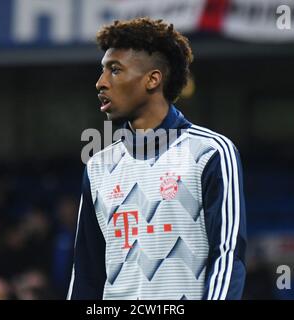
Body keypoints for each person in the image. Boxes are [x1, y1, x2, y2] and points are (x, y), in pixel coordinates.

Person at [68, 17, 247, 300]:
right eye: (102, 71)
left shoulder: (211, 152)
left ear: (153, 79)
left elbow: (227, 254)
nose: (100, 83)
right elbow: (86, 275)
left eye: (114, 70)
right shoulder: (97, 167)